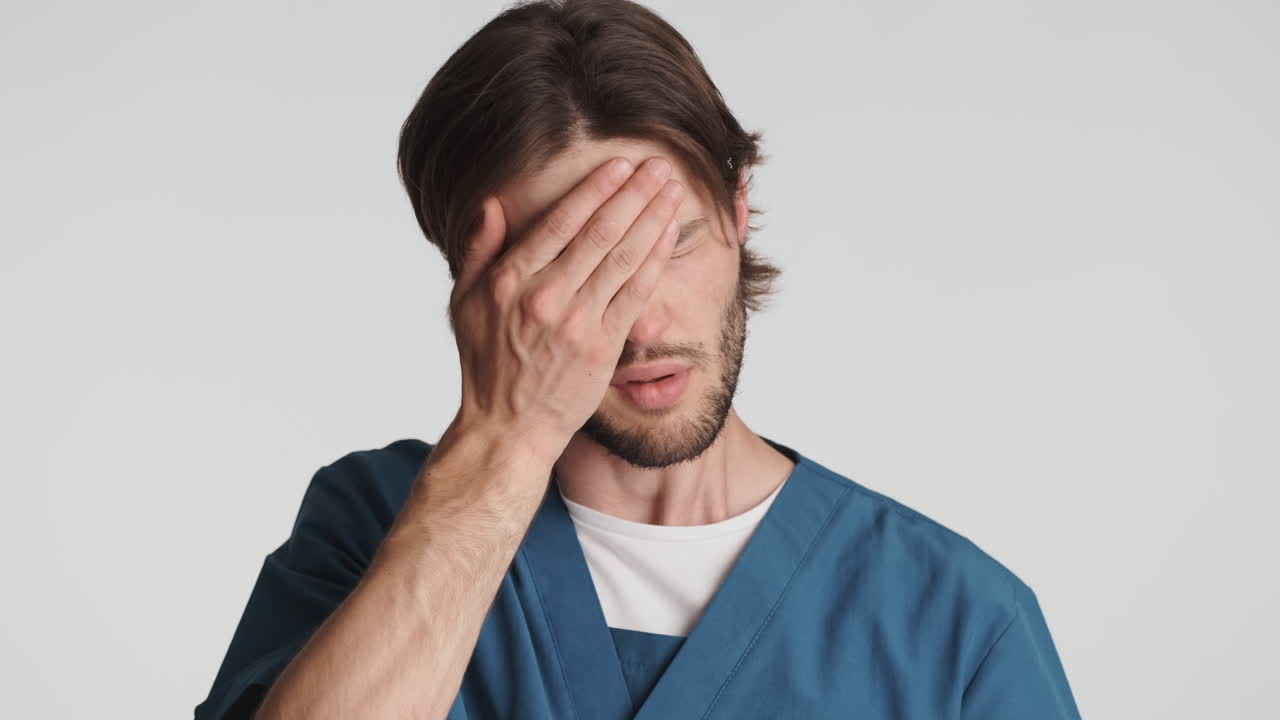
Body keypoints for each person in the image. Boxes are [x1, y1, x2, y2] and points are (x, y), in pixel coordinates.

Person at [195, 1, 1083, 718]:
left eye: (672, 243)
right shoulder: (370, 534)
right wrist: (505, 439)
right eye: (574, 269)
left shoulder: (956, 625)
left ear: (739, 211)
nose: (643, 324)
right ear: (477, 283)